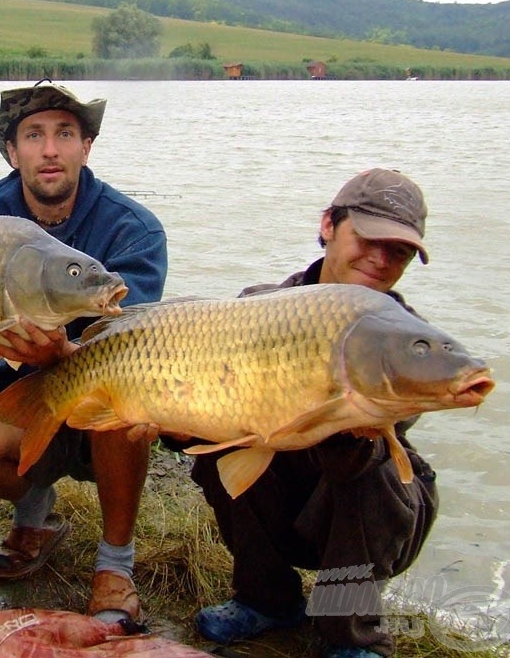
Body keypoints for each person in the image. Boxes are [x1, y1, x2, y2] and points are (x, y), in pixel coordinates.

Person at [0, 80, 169, 623]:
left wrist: (66, 351)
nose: (50, 149)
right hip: (26, 403)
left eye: (66, 133)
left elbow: (138, 343)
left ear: (87, 146)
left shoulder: (134, 231)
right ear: (12, 153)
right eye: (33, 136)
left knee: (118, 392)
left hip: (98, 411)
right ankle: (35, 514)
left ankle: (115, 565)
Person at [184, 168, 438, 658]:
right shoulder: (256, 309)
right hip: (284, 494)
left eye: (400, 250)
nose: (381, 259)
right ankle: (267, 600)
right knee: (230, 447)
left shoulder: (411, 344)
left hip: (370, 514)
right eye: (368, 238)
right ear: (328, 225)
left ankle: (348, 631)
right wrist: (171, 425)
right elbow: (201, 407)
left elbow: (366, 448)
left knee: (371, 467)